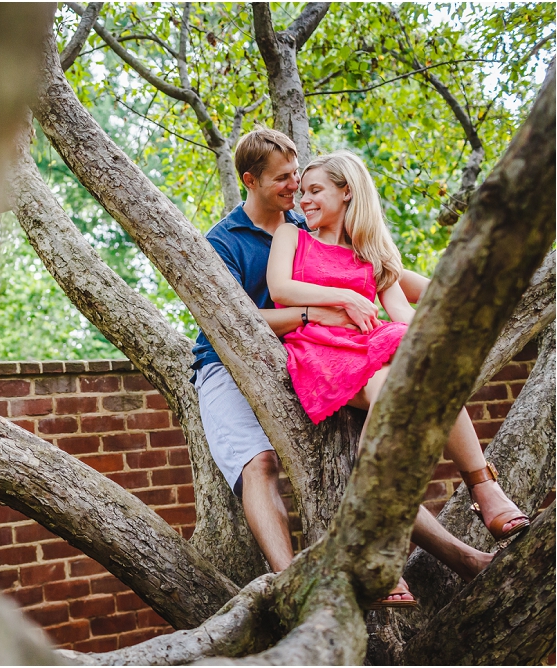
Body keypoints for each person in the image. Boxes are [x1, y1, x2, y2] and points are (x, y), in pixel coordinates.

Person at [191, 129, 502, 607]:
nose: (296, 186)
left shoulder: (305, 220)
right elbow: (231, 319)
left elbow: (385, 276)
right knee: (260, 463)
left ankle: (463, 545)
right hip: (230, 360)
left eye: (300, 176)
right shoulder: (226, 241)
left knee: (377, 452)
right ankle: (295, 582)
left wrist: (455, 284)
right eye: (284, 179)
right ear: (249, 181)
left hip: (323, 354)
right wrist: (323, 310)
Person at [265, 149, 529, 604]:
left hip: (378, 358)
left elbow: (403, 316)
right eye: (302, 191)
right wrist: (346, 299)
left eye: (315, 191)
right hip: (324, 353)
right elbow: (280, 290)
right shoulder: (291, 235)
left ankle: (477, 490)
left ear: (346, 192)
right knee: (407, 367)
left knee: (413, 365)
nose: (303, 200)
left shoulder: (373, 254)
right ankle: (462, 499)